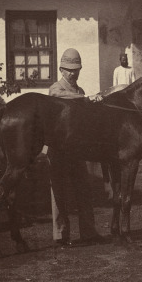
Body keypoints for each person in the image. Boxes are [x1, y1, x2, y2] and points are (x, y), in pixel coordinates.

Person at [48, 48, 107, 247]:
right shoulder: (56, 89)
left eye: (76, 70)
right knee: (59, 193)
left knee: (84, 189)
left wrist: (95, 103)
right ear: (61, 70)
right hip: (58, 149)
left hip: (77, 150)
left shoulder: (80, 91)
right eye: (69, 70)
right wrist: (87, 99)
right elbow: (61, 98)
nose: (73, 73)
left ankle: (88, 232)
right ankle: (60, 235)